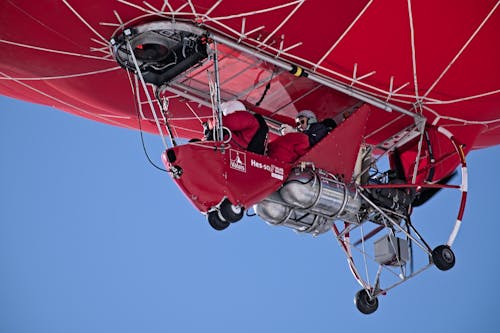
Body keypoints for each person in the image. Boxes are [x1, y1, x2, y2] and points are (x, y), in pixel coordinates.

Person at [203, 100, 268, 154]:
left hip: (242, 148)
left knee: (220, 132)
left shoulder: (246, 117)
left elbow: (228, 122)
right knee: (218, 133)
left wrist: (211, 124)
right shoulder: (250, 120)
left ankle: (204, 149)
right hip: (241, 148)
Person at [267, 110, 333, 163]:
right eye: (298, 123)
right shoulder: (302, 134)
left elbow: (313, 141)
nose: (299, 125)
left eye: (302, 121)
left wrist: (294, 133)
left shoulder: (319, 127)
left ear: (310, 120)